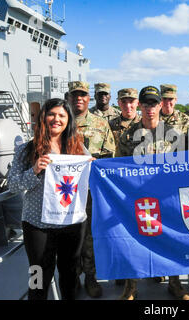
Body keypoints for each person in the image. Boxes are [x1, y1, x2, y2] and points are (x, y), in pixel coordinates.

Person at [7, 98, 88, 300]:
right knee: (38, 277)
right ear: (43, 117)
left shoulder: (79, 149)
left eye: (62, 115)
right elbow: (13, 185)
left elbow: (90, 178)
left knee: (70, 275)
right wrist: (34, 170)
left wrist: (91, 167)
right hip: (38, 224)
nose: (56, 119)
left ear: (68, 120)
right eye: (52, 114)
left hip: (71, 223)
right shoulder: (26, 150)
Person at [118, 86, 189, 300]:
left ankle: (175, 283)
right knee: (134, 240)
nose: (150, 108)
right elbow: (119, 168)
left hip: (168, 198)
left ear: (161, 105)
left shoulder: (174, 136)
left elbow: (185, 167)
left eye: (154, 103)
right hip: (138, 199)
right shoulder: (128, 136)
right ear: (140, 106)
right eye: (146, 103)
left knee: (172, 240)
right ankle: (131, 287)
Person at [68, 81, 116, 298]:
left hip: (90, 190)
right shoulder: (60, 122)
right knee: (67, 235)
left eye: (83, 95)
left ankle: (90, 277)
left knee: (89, 235)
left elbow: (111, 156)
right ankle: (71, 277)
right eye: (75, 95)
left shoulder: (100, 123)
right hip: (65, 191)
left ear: (89, 98)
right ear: (69, 97)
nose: (79, 98)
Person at [109, 88, 141, 157]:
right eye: (123, 102)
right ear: (118, 103)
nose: (127, 105)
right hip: (117, 166)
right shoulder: (110, 126)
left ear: (138, 103)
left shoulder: (145, 124)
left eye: (131, 101)